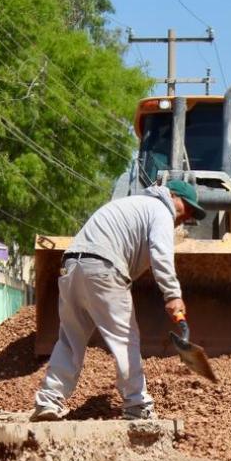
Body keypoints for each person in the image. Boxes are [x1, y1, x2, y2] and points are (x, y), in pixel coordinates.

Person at [31, 179, 206, 422]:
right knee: (125, 340)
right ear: (173, 196)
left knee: (70, 339)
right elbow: (161, 255)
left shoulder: (131, 205)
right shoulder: (160, 211)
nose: (186, 218)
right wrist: (173, 294)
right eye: (188, 209)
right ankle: (136, 404)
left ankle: (48, 401)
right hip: (104, 268)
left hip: (71, 266)